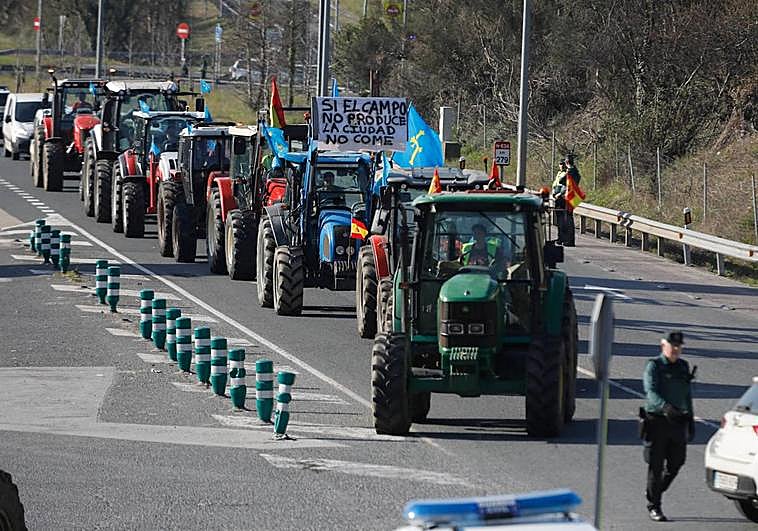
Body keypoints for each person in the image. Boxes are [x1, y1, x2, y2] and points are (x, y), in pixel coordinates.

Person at [642, 331, 695, 522]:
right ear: (663, 345)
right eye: (672, 346)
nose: (676, 350)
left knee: (677, 462)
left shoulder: (682, 366)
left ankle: (653, 491)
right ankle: (654, 505)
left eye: (679, 346)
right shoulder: (654, 366)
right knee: (656, 466)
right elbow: (650, 392)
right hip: (657, 421)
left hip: (677, 422)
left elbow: (686, 393)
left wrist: (690, 417)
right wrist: (665, 407)